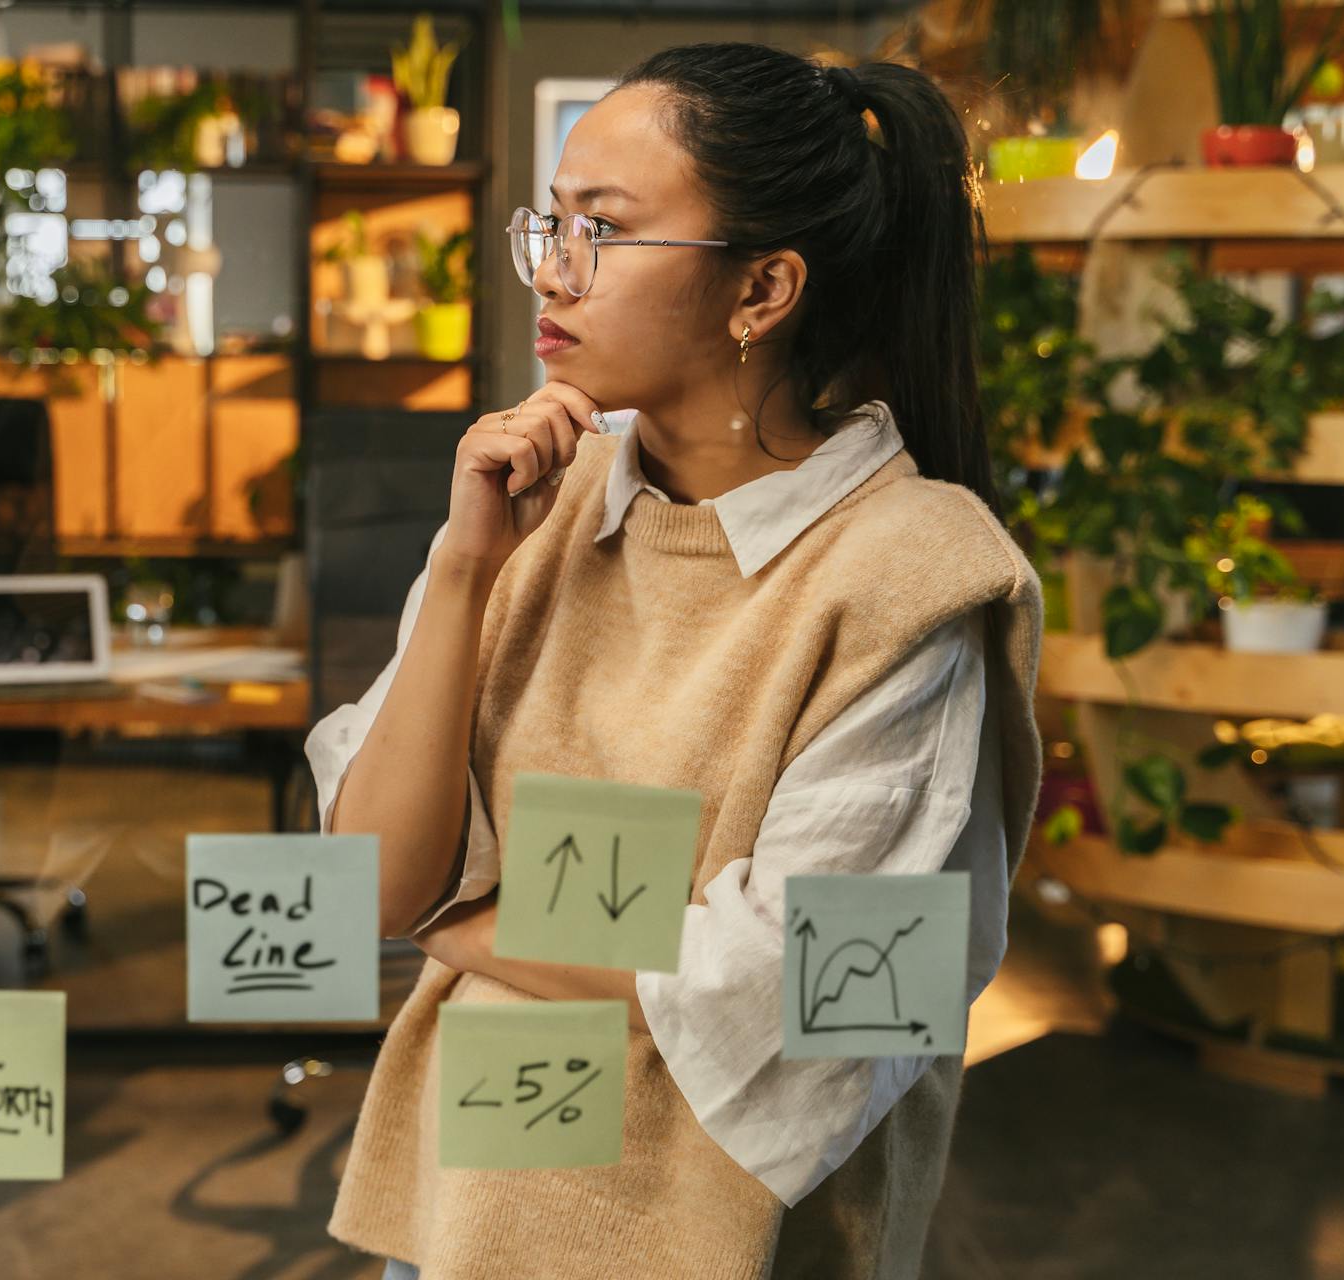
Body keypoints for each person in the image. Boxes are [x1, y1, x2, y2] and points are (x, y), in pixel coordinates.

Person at [303, 41, 1044, 1280]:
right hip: (462, 1223)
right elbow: (373, 885)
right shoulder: (539, 502)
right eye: (549, 222)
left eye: (603, 228)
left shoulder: (913, 579)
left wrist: (470, 926)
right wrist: (464, 569)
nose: (552, 268)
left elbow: (813, 986)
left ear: (762, 291)